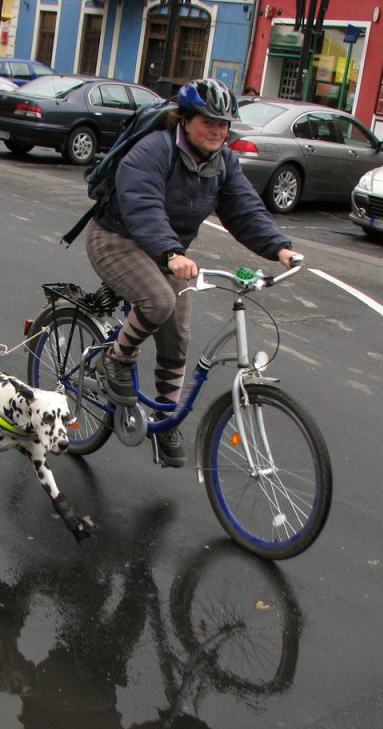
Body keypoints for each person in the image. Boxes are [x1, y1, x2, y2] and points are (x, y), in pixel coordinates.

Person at [86, 78, 303, 468]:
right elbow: (142, 205)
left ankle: (166, 419)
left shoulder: (222, 162)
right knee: (158, 300)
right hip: (117, 239)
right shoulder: (153, 150)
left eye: (224, 124)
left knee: (177, 337)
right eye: (209, 122)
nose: (219, 131)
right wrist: (170, 252)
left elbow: (244, 208)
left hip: (167, 250)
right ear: (185, 120)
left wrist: (280, 248)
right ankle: (116, 360)